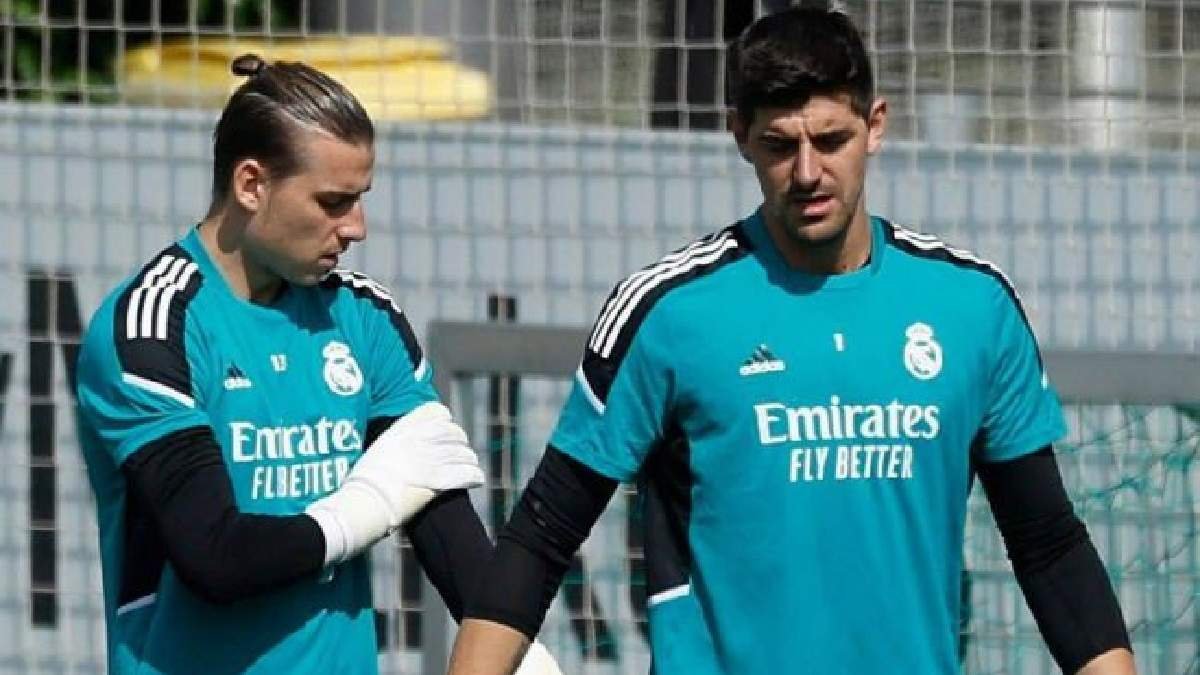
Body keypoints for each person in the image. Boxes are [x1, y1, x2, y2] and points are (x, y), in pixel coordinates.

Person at [448, 5, 1136, 675]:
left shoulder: (973, 307)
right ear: (740, 135)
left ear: (875, 126)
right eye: (781, 146)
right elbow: (542, 533)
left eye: (831, 140)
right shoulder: (668, 312)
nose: (808, 173)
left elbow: (1048, 544)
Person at [75, 54, 561, 674]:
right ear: (251, 185)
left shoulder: (365, 317)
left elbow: (447, 534)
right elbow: (215, 557)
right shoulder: (151, 327)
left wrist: (528, 658)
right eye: (333, 202)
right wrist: (365, 508)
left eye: (360, 199)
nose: (356, 227)